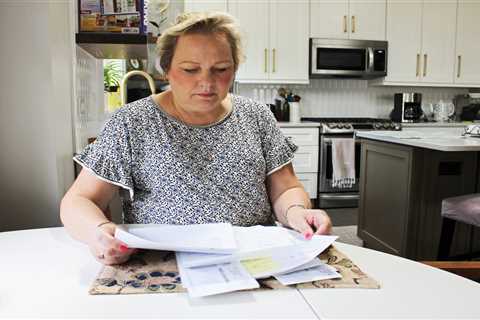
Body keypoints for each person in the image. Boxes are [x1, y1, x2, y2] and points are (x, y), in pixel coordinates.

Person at [60, 12, 332, 266]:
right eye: (191, 69)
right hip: (163, 264)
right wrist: (97, 232)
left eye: (221, 69)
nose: (207, 82)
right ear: (166, 69)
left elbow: (285, 189)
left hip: (251, 261)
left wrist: (297, 212)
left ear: (235, 69)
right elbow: (79, 200)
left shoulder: (257, 116)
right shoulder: (132, 122)